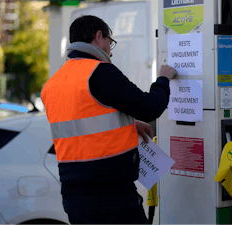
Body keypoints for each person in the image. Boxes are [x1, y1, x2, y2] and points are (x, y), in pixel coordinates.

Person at [41, 15, 177, 224]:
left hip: (74, 197)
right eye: (109, 42)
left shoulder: (53, 83)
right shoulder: (100, 73)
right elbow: (151, 107)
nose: (110, 51)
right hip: (110, 196)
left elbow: (84, 125)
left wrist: (130, 124)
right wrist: (163, 79)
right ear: (98, 37)